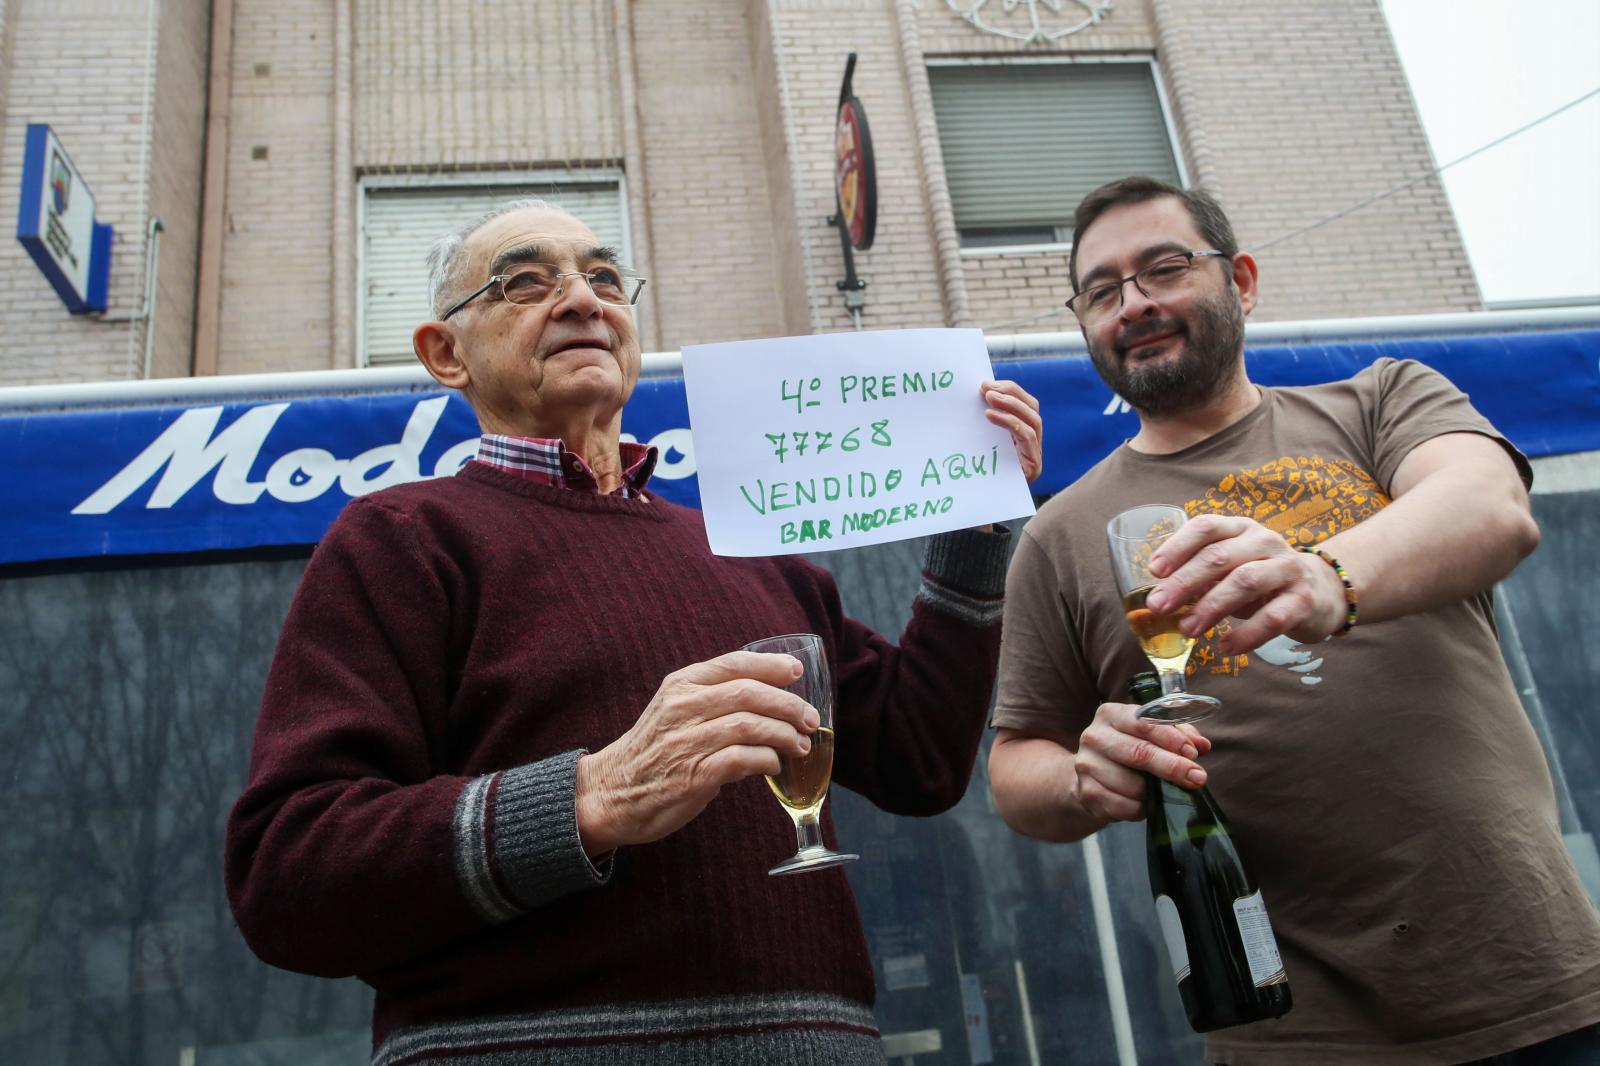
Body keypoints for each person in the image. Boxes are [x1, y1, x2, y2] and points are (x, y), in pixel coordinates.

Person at [225, 200, 1044, 1066]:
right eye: (525, 282)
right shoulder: (401, 540)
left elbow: (922, 759)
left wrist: (978, 526)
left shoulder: (751, 547)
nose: (582, 300)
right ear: (445, 353)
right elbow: (289, 876)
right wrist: (591, 798)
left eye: (605, 279)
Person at [988, 176, 1600, 1065]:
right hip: (1287, 1025)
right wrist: (1083, 779)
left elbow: (1490, 507)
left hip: (1530, 977)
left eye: (1164, 268)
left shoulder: (1378, 403)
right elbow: (1015, 765)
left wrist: (1327, 578)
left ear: (1241, 280)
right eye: (1101, 290)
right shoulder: (1060, 533)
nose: (1134, 304)